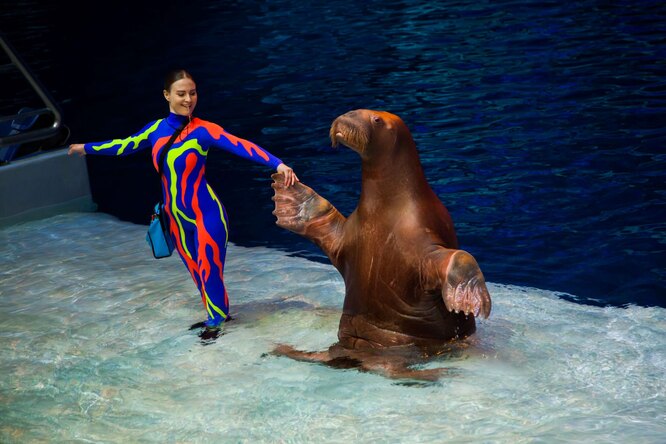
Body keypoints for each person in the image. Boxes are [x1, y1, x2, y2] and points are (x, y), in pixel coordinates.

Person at [69, 68, 299, 331]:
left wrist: (278, 164)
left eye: (192, 93)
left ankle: (215, 324)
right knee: (197, 272)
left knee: (210, 269)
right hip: (175, 218)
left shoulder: (204, 130)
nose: (188, 99)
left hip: (206, 214)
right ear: (167, 95)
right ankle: (220, 316)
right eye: (181, 94)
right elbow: (124, 145)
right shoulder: (155, 130)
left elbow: (241, 145)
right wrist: (84, 148)